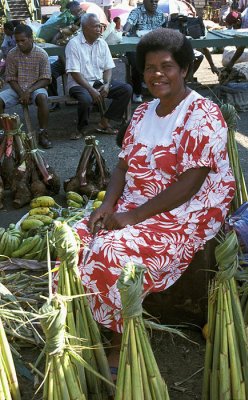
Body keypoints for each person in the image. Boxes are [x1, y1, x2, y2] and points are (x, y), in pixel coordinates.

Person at [54, 28, 235, 371]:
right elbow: (122, 168)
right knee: (73, 239)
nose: (156, 74)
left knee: (112, 252)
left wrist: (133, 217)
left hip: (187, 210)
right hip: (139, 202)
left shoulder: (204, 115)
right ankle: (84, 320)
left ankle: (118, 342)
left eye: (166, 66)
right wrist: (108, 206)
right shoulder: (141, 112)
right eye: (150, 67)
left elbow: (192, 183)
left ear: (184, 69)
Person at [65, 13, 132, 139]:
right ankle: (81, 128)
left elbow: (108, 68)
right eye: (96, 27)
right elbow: (75, 73)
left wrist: (106, 84)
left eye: (100, 26)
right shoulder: (74, 44)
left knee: (126, 89)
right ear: (85, 28)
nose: (100, 29)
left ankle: (105, 122)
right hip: (78, 83)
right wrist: (91, 90)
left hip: (98, 82)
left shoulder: (102, 43)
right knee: (86, 99)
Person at [0, 24, 52, 149]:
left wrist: (29, 90)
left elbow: (46, 78)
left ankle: (43, 133)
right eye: (17, 41)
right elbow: (10, 78)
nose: (20, 44)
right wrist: (21, 92)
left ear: (31, 39)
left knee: (42, 98)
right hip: (16, 88)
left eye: (23, 40)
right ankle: (3, 134)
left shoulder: (42, 54)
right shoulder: (12, 54)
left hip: (36, 87)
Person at [123, 0, 166, 103]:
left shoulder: (160, 14)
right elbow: (128, 24)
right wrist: (125, 30)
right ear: (145, 2)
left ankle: (163, 88)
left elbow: (165, 30)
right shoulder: (136, 12)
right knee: (137, 61)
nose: (154, 3)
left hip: (154, 47)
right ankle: (137, 92)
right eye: (151, 1)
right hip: (136, 47)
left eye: (156, 1)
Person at [48, 1, 85, 111]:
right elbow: (54, 42)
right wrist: (62, 30)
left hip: (82, 60)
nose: (80, 12)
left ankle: (95, 101)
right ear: (69, 12)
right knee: (49, 73)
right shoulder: (63, 23)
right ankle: (55, 102)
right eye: (77, 11)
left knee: (94, 71)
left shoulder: (86, 22)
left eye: (80, 10)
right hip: (64, 60)